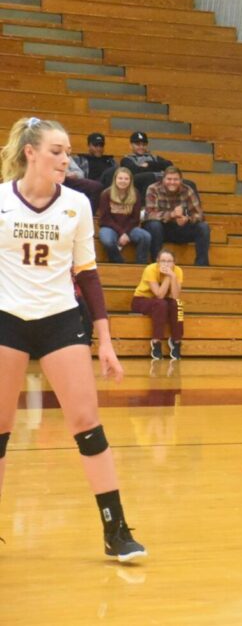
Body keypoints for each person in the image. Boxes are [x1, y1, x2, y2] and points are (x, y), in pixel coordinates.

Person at [0, 116, 145, 561]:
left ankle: (116, 531)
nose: (66, 159)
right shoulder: (2, 200)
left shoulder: (78, 204)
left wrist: (106, 342)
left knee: (87, 424)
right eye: (57, 151)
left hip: (61, 319)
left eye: (67, 152)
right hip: (7, 319)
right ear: (30, 153)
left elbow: (88, 274)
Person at [143, 166, 211, 266]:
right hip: (162, 229)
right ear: (163, 179)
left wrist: (187, 218)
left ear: (181, 180)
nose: (172, 182)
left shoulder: (187, 190)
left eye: (176, 179)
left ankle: (201, 265)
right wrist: (171, 214)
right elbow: (150, 214)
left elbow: (199, 214)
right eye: (169, 179)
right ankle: (157, 264)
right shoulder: (153, 189)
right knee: (154, 225)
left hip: (181, 227)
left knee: (203, 227)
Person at [132, 249, 184, 361]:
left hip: (162, 302)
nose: (166, 264)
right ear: (157, 261)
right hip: (142, 300)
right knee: (161, 303)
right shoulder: (150, 269)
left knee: (178, 304)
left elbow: (175, 297)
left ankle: (176, 340)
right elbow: (159, 295)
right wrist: (167, 277)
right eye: (163, 261)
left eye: (169, 261)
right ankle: (156, 341)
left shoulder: (178, 271)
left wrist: (173, 276)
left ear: (174, 263)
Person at [96, 167, 150, 264]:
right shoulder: (106, 194)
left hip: (129, 228)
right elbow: (105, 219)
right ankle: (118, 263)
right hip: (109, 227)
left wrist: (125, 232)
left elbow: (135, 219)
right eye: (120, 178)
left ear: (130, 181)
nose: (123, 181)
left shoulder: (135, 194)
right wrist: (122, 233)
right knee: (107, 240)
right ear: (115, 179)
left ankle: (140, 265)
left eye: (126, 179)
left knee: (146, 236)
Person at [106, 131, 172, 196]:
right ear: (131, 146)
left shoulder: (154, 157)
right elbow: (134, 171)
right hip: (140, 186)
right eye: (138, 144)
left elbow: (169, 165)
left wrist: (149, 164)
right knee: (148, 177)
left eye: (144, 145)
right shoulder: (126, 159)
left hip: (159, 182)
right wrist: (157, 168)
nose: (141, 147)